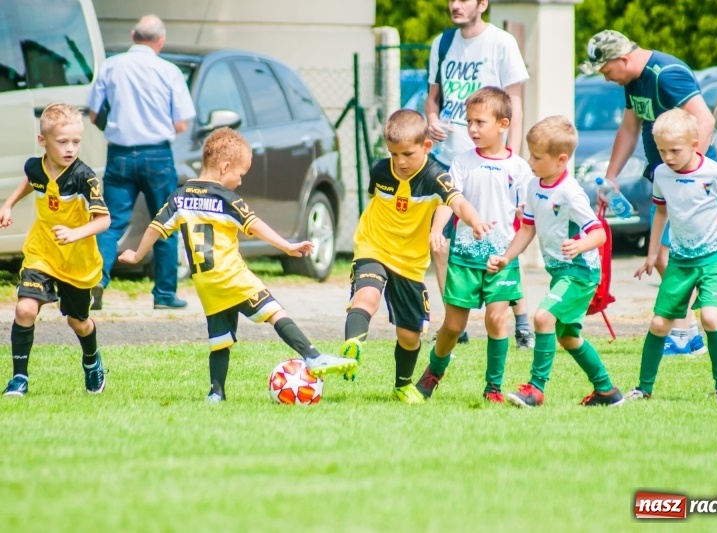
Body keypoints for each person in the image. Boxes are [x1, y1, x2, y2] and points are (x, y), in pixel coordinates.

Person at [118, 127, 356, 402]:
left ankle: (215, 393)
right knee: (274, 312)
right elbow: (255, 226)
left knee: (220, 341)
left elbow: (156, 228)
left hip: (207, 285)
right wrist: (287, 245)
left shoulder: (180, 196)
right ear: (225, 166)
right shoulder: (226, 199)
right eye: (240, 175)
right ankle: (313, 356)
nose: (241, 182)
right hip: (232, 276)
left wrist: (136, 255)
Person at [579, 29, 717, 356]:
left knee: (670, 255)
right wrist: (610, 178)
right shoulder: (633, 81)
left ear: (623, 59)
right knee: (661, 256)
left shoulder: (666, 74)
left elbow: (706, 121)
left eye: (605, 70)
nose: (606, 78)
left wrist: (688, 174)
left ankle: (685, 334)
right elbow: (629, 128)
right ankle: (687, 332)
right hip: (663, 181)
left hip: (690, 185)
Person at [338, 109, 492, 404]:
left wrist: (476, 222)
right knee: (366, 297)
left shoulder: (436, 176)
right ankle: (352, 347)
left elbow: (458, 203)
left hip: (410, 263)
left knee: (409, 336)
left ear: (426, 147)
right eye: (394, 154)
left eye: (407, 154)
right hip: (373, 247)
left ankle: (402, 385)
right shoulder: (380, 170)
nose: (400, 162)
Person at [487, 116, 624, 408]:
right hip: (560, 272)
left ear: (561, 160)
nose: (530, 161)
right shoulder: (534, 187)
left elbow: (599, 234)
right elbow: (527, 228)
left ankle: (535, 390)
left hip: (580, 272)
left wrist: (580, 244)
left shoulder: (570, 193)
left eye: (536, 157)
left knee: (542, 317)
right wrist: (506, 257)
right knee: (568, 337)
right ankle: (607, 391)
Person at [627, 109, 717, 404]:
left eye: (674, 150)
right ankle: (643, 388)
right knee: (660, 324)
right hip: (680, 259)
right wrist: (651, 254)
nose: (668, 157)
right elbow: (661, 212)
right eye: (661, 151)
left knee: (710, 317)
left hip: (715, 256)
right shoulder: (661, 173)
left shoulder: (714, 173)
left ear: (695, 145)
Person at [425, 0, 533, 348]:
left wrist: (511, 158)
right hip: (450, 158)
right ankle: (455, 325)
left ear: (482, 4)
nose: (455, 5)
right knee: (440, 243)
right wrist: (430, 119)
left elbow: (515, 102)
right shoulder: (441, 43)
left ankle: (520, 320)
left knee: (499, 239)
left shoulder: (501, 43)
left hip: (496, 163)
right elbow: (433, 99)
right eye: (451, 0)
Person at [415, 87, 532, 403]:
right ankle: (432, 374)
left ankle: (492, 388)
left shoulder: (518, 168)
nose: (473, 129)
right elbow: (449, 200)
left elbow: (528, 214)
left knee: (497, 319)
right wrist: (437, 230)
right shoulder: (462, 162)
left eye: (480, 122)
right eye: (469, 122)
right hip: (464, 257)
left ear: (503, 124)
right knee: (453, 326)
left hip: (501, 259)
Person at [87, 14, 196, 310]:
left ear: (133, 34)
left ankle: (96, 281)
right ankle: (164, 294)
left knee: (109, 222)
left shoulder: (110, 66)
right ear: (160, 41)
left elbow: (94, 115)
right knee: (165, 221)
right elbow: (182, 124)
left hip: (119, 155)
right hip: (158, 156)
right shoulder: (169, 71)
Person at [0, 104, 110, 397]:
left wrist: (75, 233)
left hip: (78, 261)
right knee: (25, 309)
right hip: (42, 252)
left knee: (79, 322)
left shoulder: (83, 177)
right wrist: (9, 204)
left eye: (76, 141)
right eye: (62, 142)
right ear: (43, 141)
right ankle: (19, 379)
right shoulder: (36, 166)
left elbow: (104, 220)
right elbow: (31, 180)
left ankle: (91, 360)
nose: (70, 148)